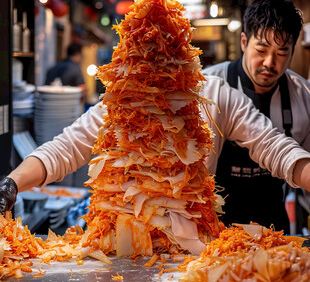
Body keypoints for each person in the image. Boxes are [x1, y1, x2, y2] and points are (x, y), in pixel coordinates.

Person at [0, 75, 310, 220]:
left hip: (193, 242)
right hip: (123, 237)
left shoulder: (215, 95)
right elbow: (65, 149)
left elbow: (273, 146)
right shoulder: (121, 98)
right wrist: (12, 184)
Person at [202, 0, 310, 233]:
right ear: (244, 42)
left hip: (273, 226)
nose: (270, 63)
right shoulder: (209, 88)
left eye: (282, 53)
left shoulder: (303, 96)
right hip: (213, 228)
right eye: (261, 49)